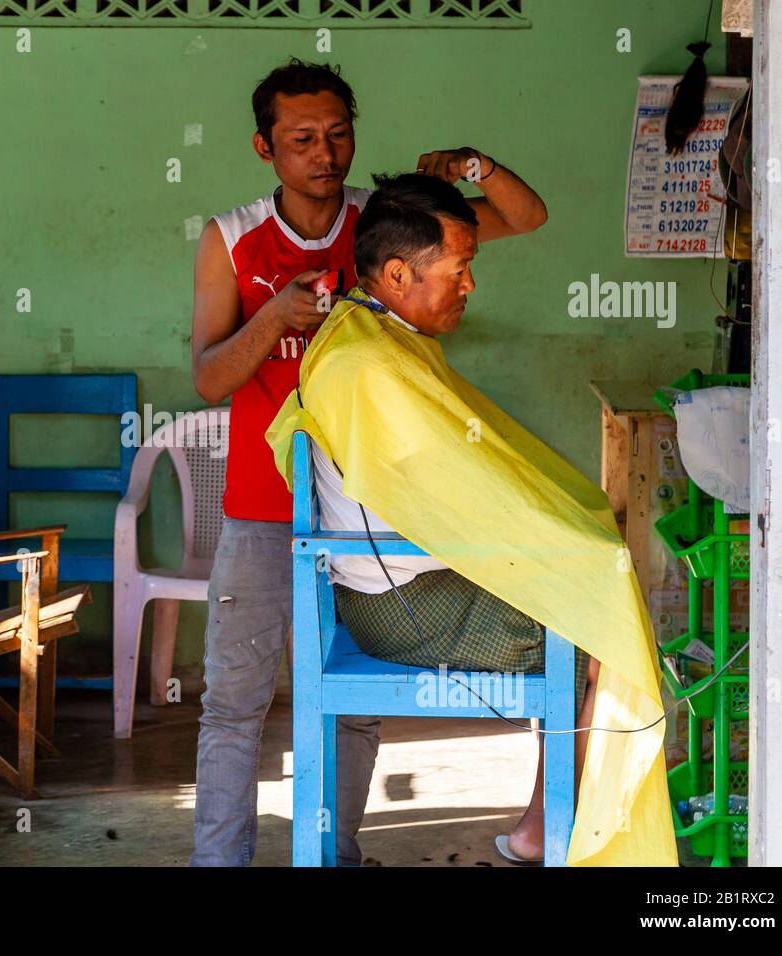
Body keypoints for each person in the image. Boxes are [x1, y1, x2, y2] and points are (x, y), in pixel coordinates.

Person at [188, 57, 548, 866]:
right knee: (234, 704)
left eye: (339, 134)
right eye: (302, 139)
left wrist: (471, 166)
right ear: (264, 147)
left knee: (348, 704)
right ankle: (217, 861)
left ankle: (332, 853)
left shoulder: (385, 225)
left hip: (364, 518)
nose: (326, 153)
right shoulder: (233, 239)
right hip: (262, 502)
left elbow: (526, 217)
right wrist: (275, 315)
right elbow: (210, 377)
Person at [266, 173, 676, 866]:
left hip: (392, 584)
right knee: (592, 615)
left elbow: (459, 485)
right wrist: (563, 545)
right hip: (399, 606)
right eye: (460, 270)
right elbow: (449, 497)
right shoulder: (370, 361)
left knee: (592, 581)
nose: (470, 286)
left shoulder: (368, 331)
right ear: (398, 273)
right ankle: (550, 827)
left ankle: (545, 821)